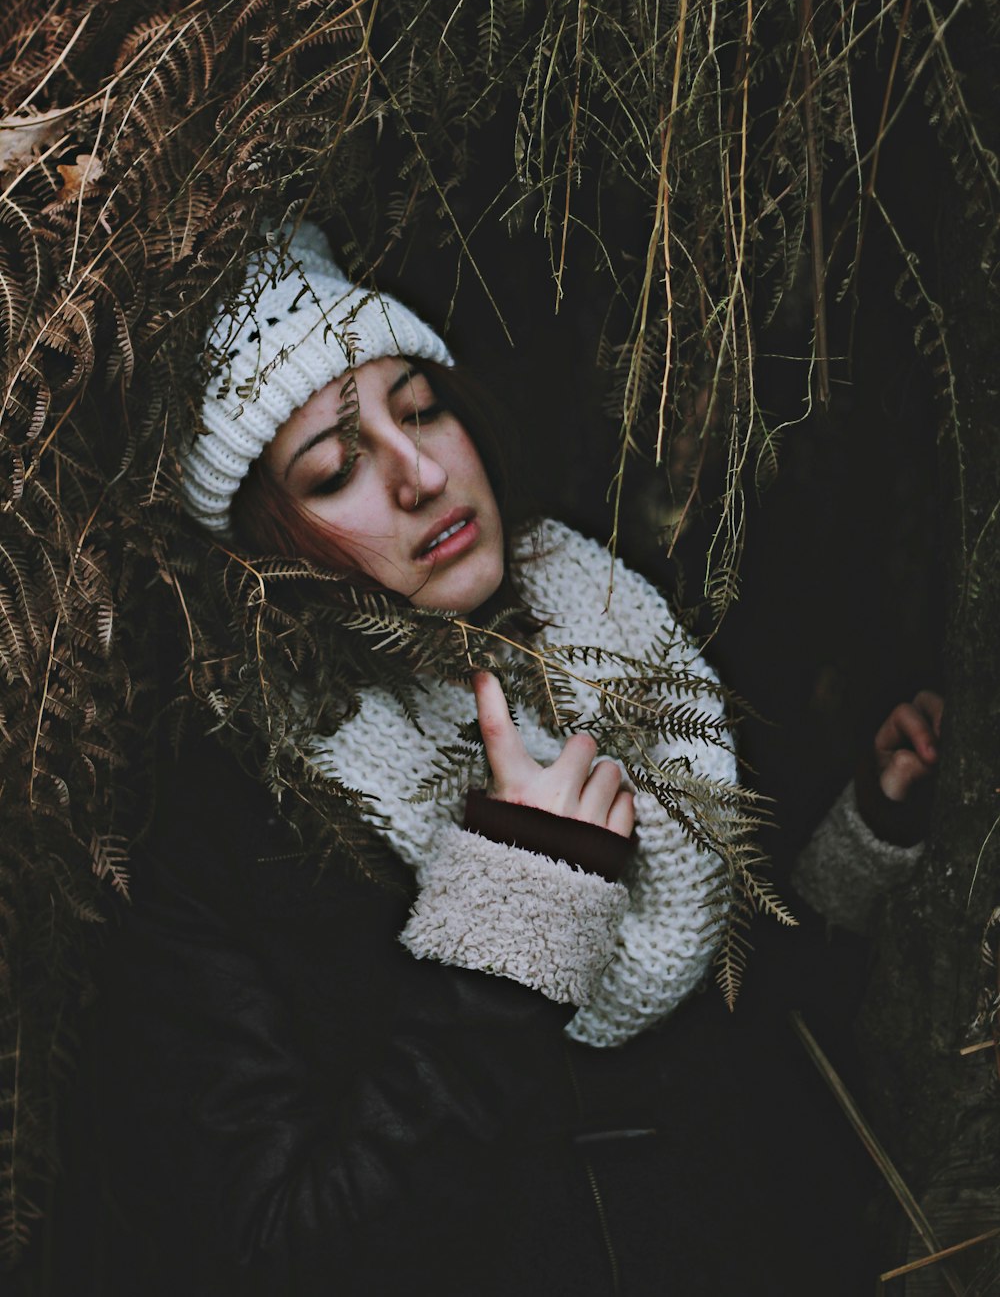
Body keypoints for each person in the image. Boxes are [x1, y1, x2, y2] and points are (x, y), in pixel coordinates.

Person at [96, 221, 942, 1296]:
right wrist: (512, 919)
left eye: (419, 408)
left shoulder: (614, 631)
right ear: (257, 558)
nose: (417, 473)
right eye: (333, 469)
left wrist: (864, 829)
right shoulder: (229, 826)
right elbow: (279, 1247)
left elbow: (755, 1013)